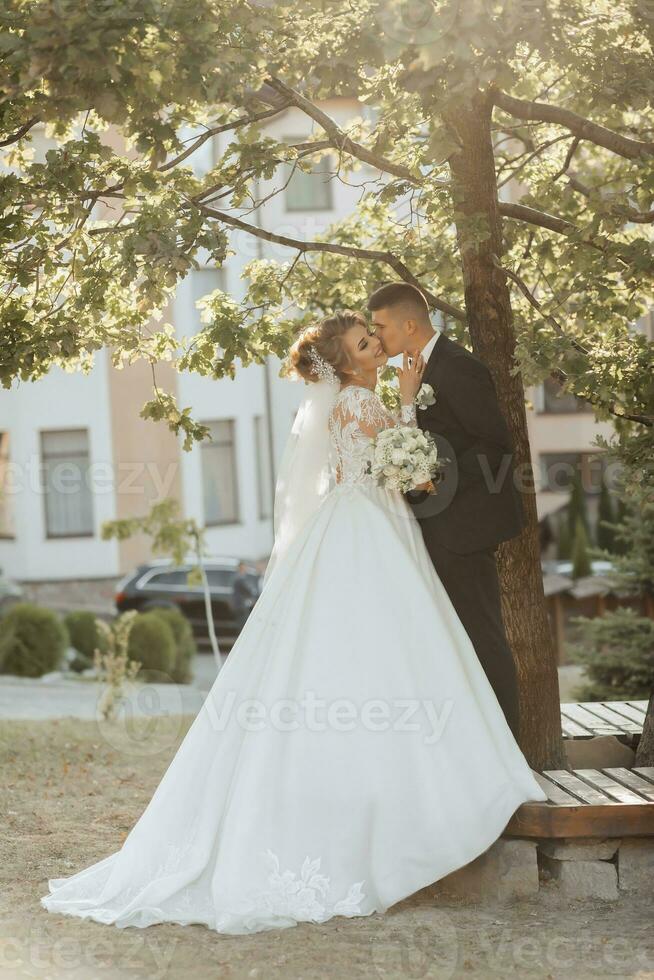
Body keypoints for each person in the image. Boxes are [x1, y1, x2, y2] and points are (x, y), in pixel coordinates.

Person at [40, 309, 546, 936]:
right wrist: (410, 402)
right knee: (382, 654)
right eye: (366, 343)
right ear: (346, 363)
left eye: (374, 337)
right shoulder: (360, 406)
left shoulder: (353, 402)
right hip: (371, 533)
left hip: (366, 527)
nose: (377, 347)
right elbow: (406, 464)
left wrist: (405, 413)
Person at [367, 282, 526, 740]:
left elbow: (496, 446)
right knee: (451, 643)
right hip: (435, 527)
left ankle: (508, 749)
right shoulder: (413, 371)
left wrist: (434, 475)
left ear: (409, 325)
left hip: (465, 529)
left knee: (483, 638)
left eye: (380, 326)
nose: (377, 336)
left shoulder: (459, 368)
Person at [231, 561, 260, 634]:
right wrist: (253, 598)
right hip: (241, 605)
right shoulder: (240, 578)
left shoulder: (237, 577)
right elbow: (247, 590)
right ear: (240, 568)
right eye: (244, 568)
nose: (245, 569)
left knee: (241, 623)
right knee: (244, 624)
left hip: (238, 605)